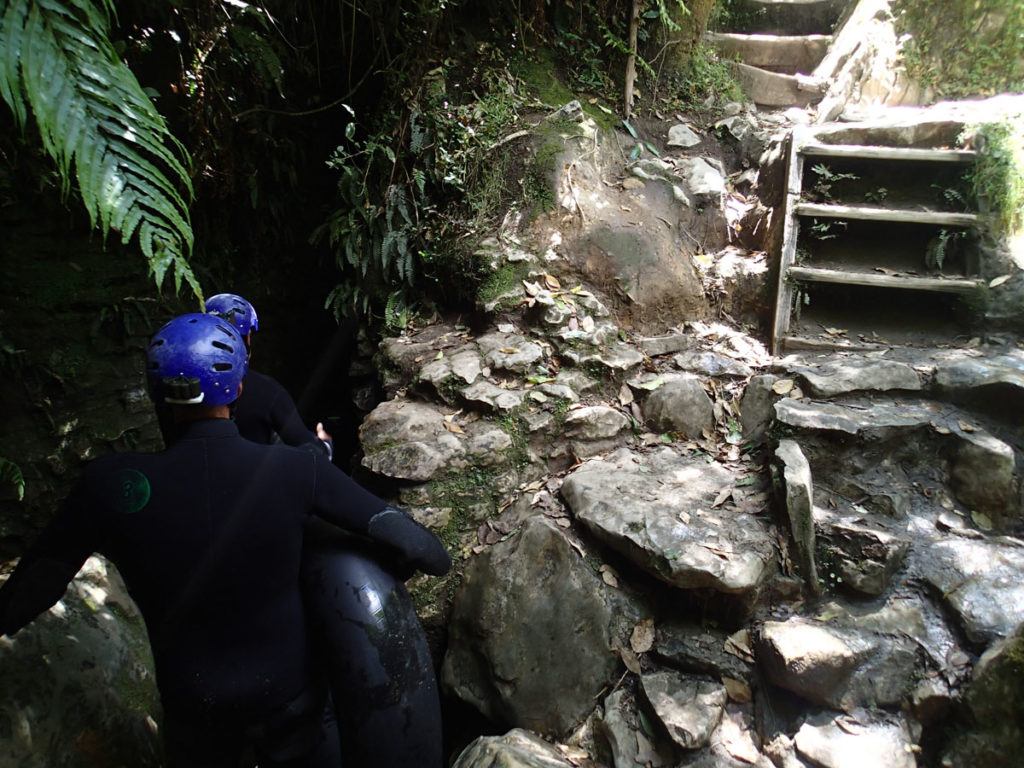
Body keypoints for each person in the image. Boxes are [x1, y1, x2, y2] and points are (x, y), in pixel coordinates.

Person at [0, 313, 451, 767]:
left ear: (156, 393)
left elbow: (33, 585)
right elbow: (424, 550)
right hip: (294, 722)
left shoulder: (109, 485)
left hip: (197, 729)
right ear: (237, 388)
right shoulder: (296, 472)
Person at [206, 293, 450, 768]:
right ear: (249, 341)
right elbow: (429, 554)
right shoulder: (271, 401)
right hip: (287, 663)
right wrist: (319, 452)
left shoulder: (147, 487)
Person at [205, 293, 333, 460]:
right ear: (247, 341)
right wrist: (324, 445)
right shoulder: (266, 391)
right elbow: (310, 451)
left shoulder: (180, 389)